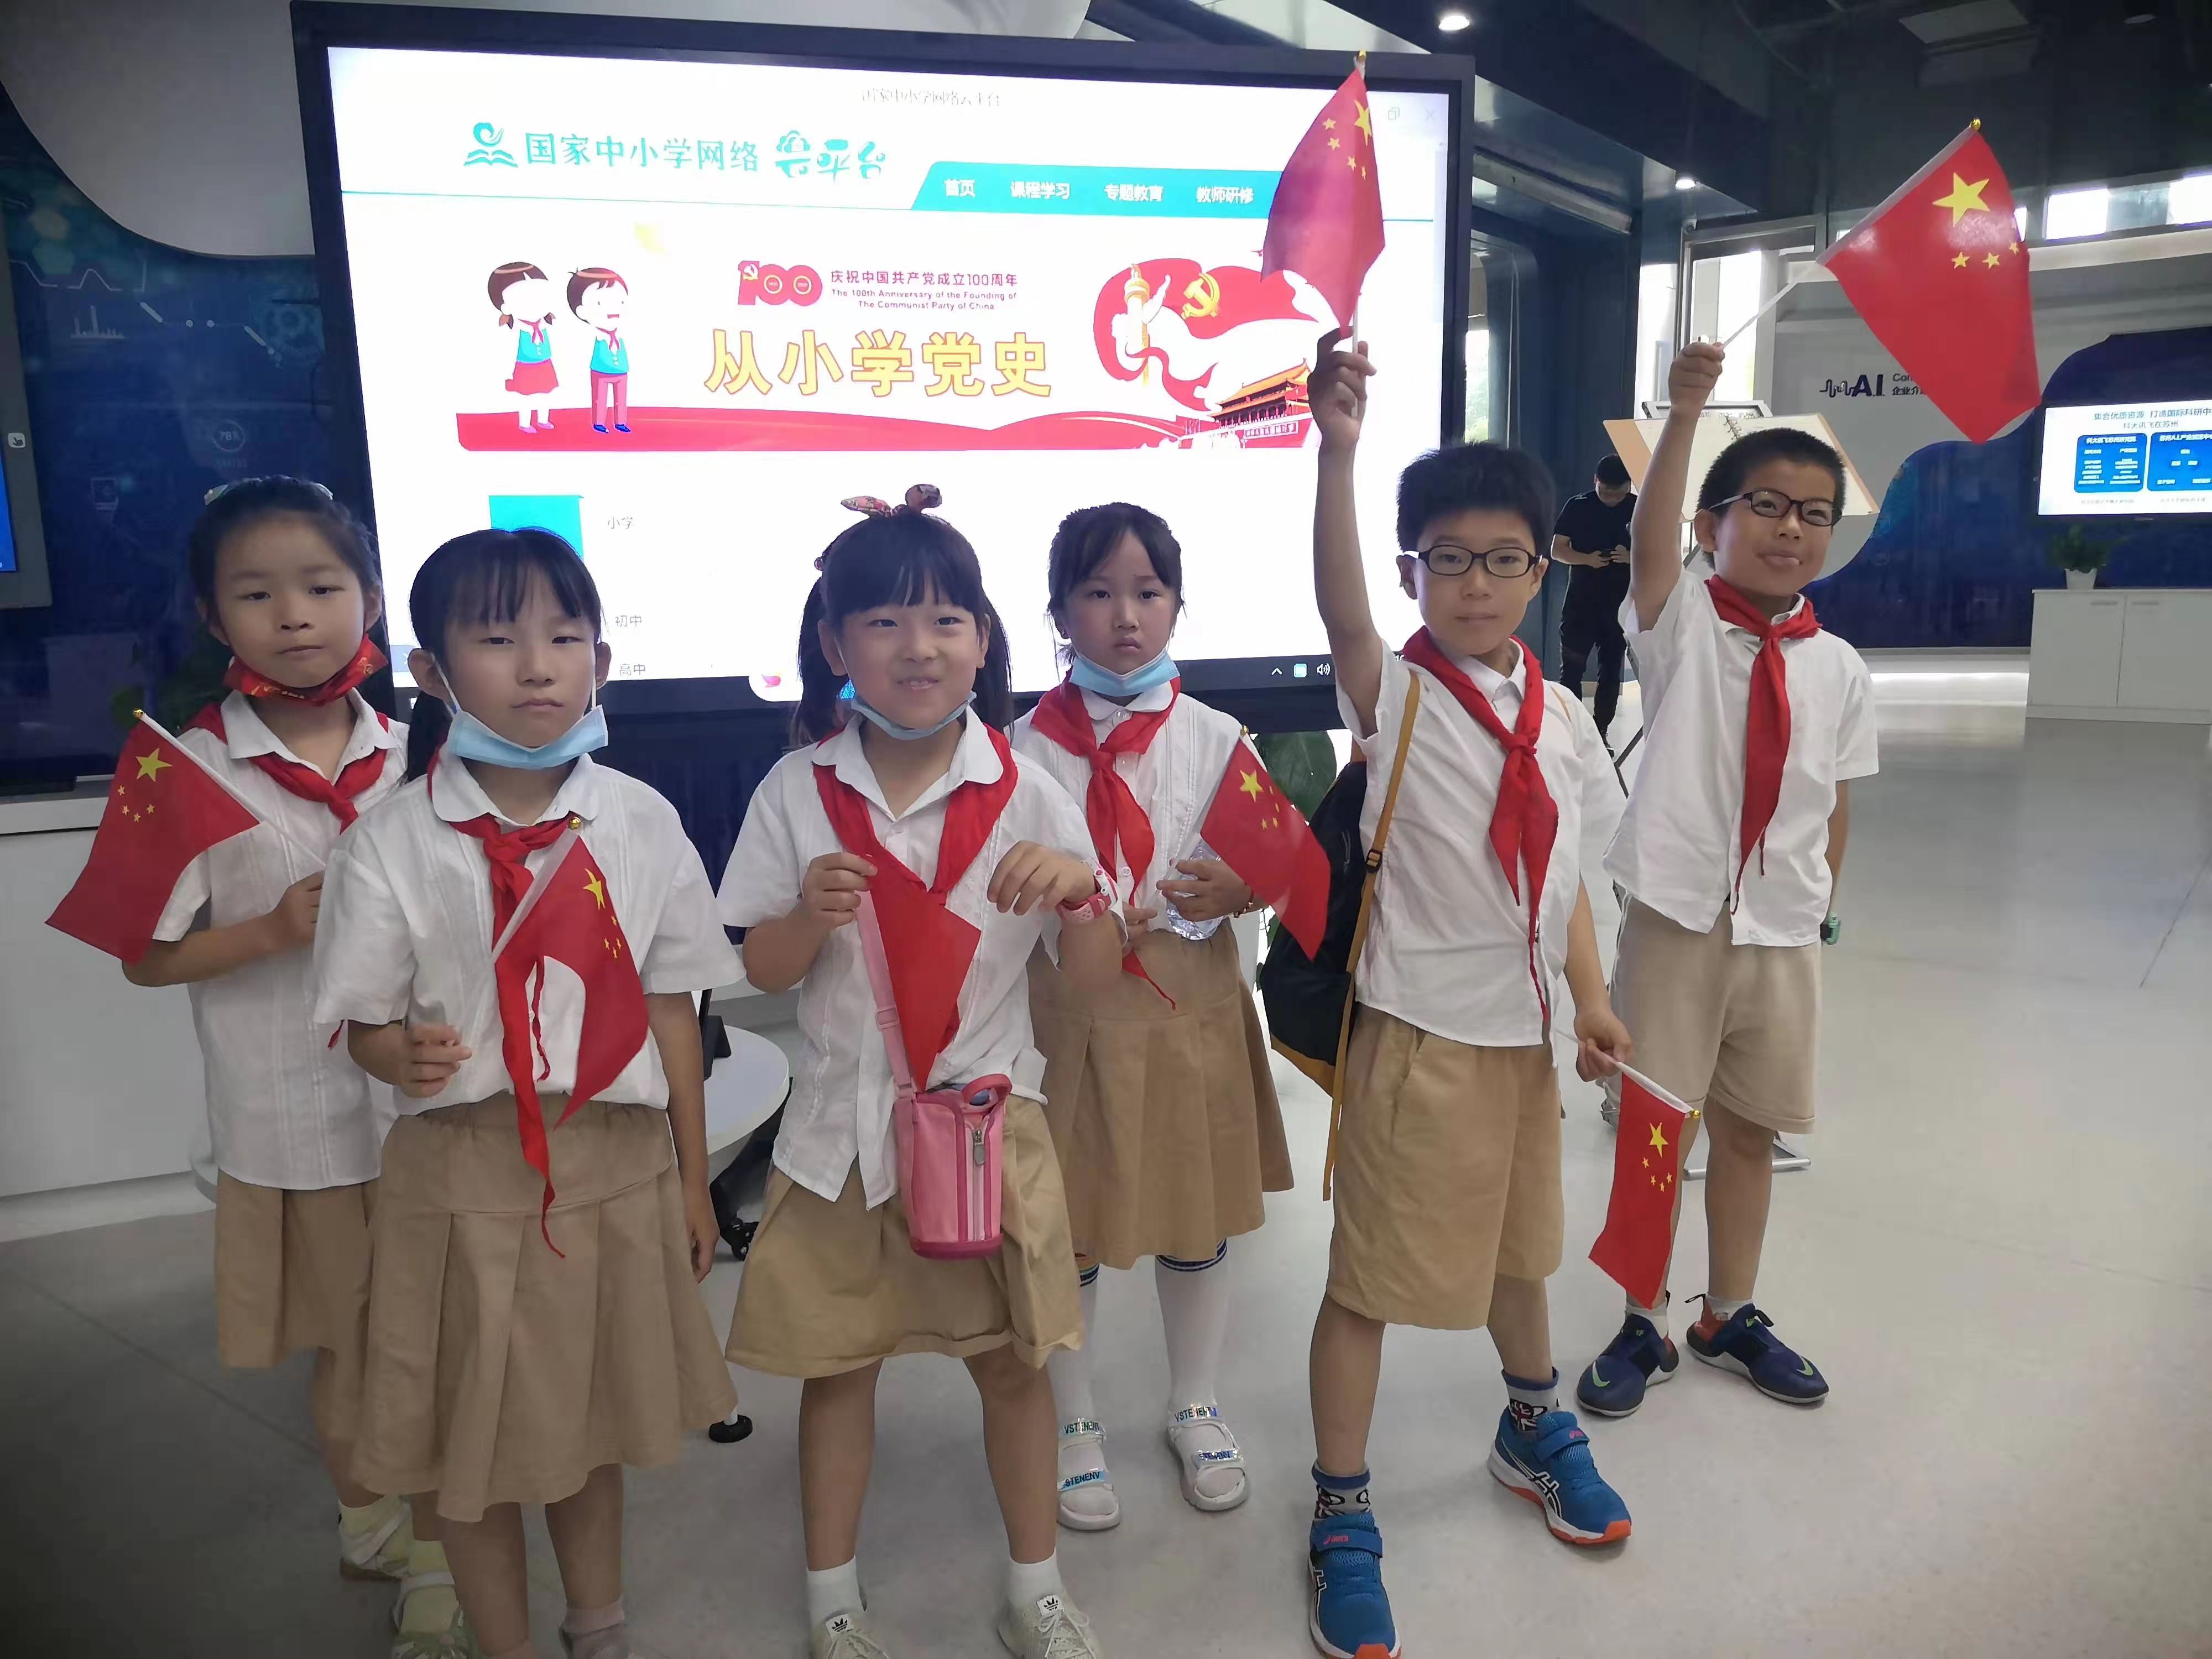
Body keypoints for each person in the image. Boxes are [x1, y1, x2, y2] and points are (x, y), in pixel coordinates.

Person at [312, 528, 739, 1659]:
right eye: (498, 640)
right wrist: (391, 1052)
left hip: (613, 1161)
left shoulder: (639, 820)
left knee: (589, 1427)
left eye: (565, 637)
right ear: (431, 671)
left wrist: (694, 1183)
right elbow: (360, 1019)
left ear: (601, 659)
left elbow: (671, 1011)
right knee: (471, 1445)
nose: (540, 666)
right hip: (459, 1175)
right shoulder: (391, 840)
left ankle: (597, 1625)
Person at [718, 486, 1122, 1659]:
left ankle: (1034, 1589)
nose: (918, 647)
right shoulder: (797, 790)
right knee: (838, 1374)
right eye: (884, 622)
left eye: (946, 619)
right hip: (836, 1143)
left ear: (983, 641)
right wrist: (806, 914)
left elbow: (1093, 976)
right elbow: (764, 966)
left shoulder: (1029, 789)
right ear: (835, 644)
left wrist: (1081, 893)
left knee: (1012, 1369)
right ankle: (832, 1603)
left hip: (987, 1133)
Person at [1303, 331, 1634, 1659]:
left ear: (1542, 568)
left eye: (1504, 559)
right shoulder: (1396, 695)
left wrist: (1590, 999)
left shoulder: (1559, 715)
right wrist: (1335, 455)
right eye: (1448, 559)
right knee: (1368, 1281)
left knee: (1519, 1252)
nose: (1478, 583)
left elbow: (1564, 880)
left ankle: (1529, 1418)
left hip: (1524, 1047)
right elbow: (1340, 615)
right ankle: (1340, 1505)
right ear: (1413, 572)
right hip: (1419, 1042)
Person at [121, 479, 465, 1657]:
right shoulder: (180, 765)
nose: (295, 615)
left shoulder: (427, 749)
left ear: (368, 594)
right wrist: (274, 928)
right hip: (297, 1117)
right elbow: (145, 958)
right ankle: (389, 1534)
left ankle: (431, 1534)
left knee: (437, 1334)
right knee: (355, 1344)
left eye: (321, 586)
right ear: (213, 616)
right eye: (256, 594)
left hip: (430, 1103)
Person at [1575, 341, 1876, 1422]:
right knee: (1658, 1132)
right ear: (1714, 526)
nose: (1791, 529)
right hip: (1677, 922)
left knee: (1750, 1131)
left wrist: (1817, 905)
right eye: (1767, 506)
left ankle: (1728, 1313)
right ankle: (1641, 1320)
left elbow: (1832, 801)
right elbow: (1649, 538)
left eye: (1813, 514)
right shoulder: (1681, 625)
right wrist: (1686, 412)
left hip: (1781, 936)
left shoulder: (1838, 666)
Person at [1010, 502, 1295, 1533]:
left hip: (1191, 1007)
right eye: (1097, 593)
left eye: (1147, 592)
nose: (1125, 616)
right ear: (1058, 612)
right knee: (1071, 1222)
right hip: (1069, 1013)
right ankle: (1074, 1422)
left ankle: (1195, 1404)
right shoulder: (1018, 750)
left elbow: (1282, 867)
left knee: (1194, 1213)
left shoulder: (1218, 737)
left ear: (1177, 605)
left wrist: (1242, 887)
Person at [1551, 455, 1636, 744]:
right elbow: (1557, 550)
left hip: (1620, 608)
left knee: (1610, 673)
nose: (1613, 500)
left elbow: (1659, 553)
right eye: (1606, 493)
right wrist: (1586, 559)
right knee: (1571, 671)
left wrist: (1630, 557)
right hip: (1580, 604)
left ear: (1629, 486)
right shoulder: (1578, 506)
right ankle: (1571, 731)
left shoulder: (1639, 507)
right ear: (1596, 481)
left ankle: (1600, 733)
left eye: (1619, 494)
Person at [488, 262, 559, 435]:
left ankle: (543, 420)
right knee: (525, 397)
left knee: (545, 394)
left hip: (545, 363)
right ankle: (525, 423)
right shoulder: (517, 326)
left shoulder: (544, 322)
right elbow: (506, 348)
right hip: (526, 366)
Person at [569, 268, 631, 435]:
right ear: (582, 311)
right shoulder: (597, 334)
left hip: (622, 369)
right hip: (600, 370)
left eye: (621, 302)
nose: (614, 308)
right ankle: (599, 423)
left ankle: (621, 422)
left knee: (621, 399)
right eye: (600, 303)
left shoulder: (620, 333)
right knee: (600, 398)